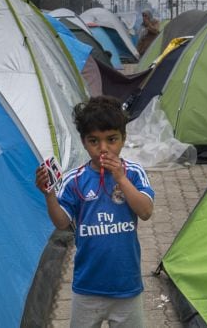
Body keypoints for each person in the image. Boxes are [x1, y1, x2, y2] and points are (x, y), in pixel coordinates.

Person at [35, 96, 155, 328]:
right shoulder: (74, 180)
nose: (103, 149)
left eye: (111, 140)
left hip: (127, 287)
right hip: (87, 288)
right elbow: (61, 223)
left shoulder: (134, 173)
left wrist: (120, 177)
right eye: (94, 141)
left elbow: (146, 211)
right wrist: (49, 194)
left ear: (123, 138)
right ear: (83, 141)